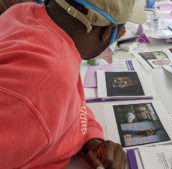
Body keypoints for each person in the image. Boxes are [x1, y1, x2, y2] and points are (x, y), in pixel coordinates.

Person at [0, 0, 146, 169]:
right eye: (122, 30)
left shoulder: (26, 12)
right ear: (107, 33)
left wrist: (91, 139)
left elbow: (71, 101)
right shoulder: (45, 81)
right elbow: (42, 96)